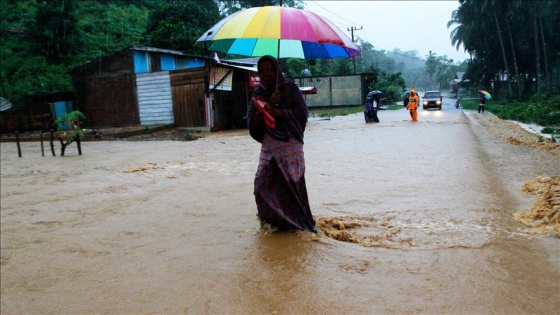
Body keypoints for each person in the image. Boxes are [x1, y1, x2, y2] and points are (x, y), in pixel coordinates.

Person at [246, 55, 317, 233]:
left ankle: (300, 226)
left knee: (293, 189)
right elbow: (251, 123)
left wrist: (276, 111)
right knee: (261, 187)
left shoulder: (290, 88)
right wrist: (266, 106)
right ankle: (273, 224)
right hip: (269, 148)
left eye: (270, 70)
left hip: (290, 147)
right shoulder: (258, 93)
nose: (267, 74)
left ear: (277, 70)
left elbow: (302, 113)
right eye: (262, 71)